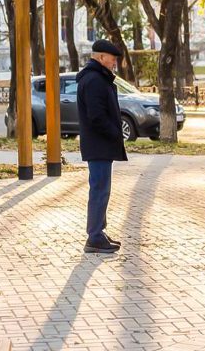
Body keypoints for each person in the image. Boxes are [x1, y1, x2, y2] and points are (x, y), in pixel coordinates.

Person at [76, 39, 128, 253]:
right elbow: (96, 116)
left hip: (99, 145)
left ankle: (98, 232)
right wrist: (115, 133)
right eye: (112, 59)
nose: (114, 63)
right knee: (99, 190)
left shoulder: (96, 77)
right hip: (99, 145)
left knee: (101, 189)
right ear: (101, 57)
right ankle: (95, 236)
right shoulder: (95, 80)